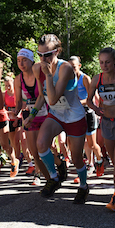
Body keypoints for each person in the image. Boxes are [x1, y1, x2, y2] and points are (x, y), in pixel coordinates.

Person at [34, 34, 89, 204]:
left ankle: (84, 186)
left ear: (57, 52)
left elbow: (53, 99)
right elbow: (43, 96)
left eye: (48, 55)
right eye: (40, 55)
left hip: (74, 116)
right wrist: (32, 114)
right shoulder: (38, 69)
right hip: (57, 115)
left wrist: (49, 76)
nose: (44, 59)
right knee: (41, 143)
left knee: (76, 157)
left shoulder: (65, 68)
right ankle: (54, 177)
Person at [86, 47, 115, 211]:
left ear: (114, 62)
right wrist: (95, 109)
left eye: (107, 62)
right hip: (106, 122)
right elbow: (89, 100)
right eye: (101, 62)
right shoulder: (96, 79)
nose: (104, 65)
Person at [17, 48, 51, 185]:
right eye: (19, 61)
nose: (21, 63)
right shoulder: (18, 79)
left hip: (45, 114)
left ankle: (56, 167)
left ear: (31, 61)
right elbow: (19, 101)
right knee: (34, 151)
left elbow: (43, 96)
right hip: (30, 116)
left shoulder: (39, 73)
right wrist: (15, 112)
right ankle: (45, 177)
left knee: (45, 148)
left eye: (24, 60)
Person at [69, 55, 104, 176]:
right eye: (69, 67)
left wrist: (76, 102)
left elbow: (91, 99)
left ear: (79, 66)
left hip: (87, 113)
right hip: (75, 114)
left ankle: (100, 160)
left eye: (73, 67)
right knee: (78, 143)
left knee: (92, 144)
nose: (71, 70)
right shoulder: (67, 79)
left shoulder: (85, 79)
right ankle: (89, 164)